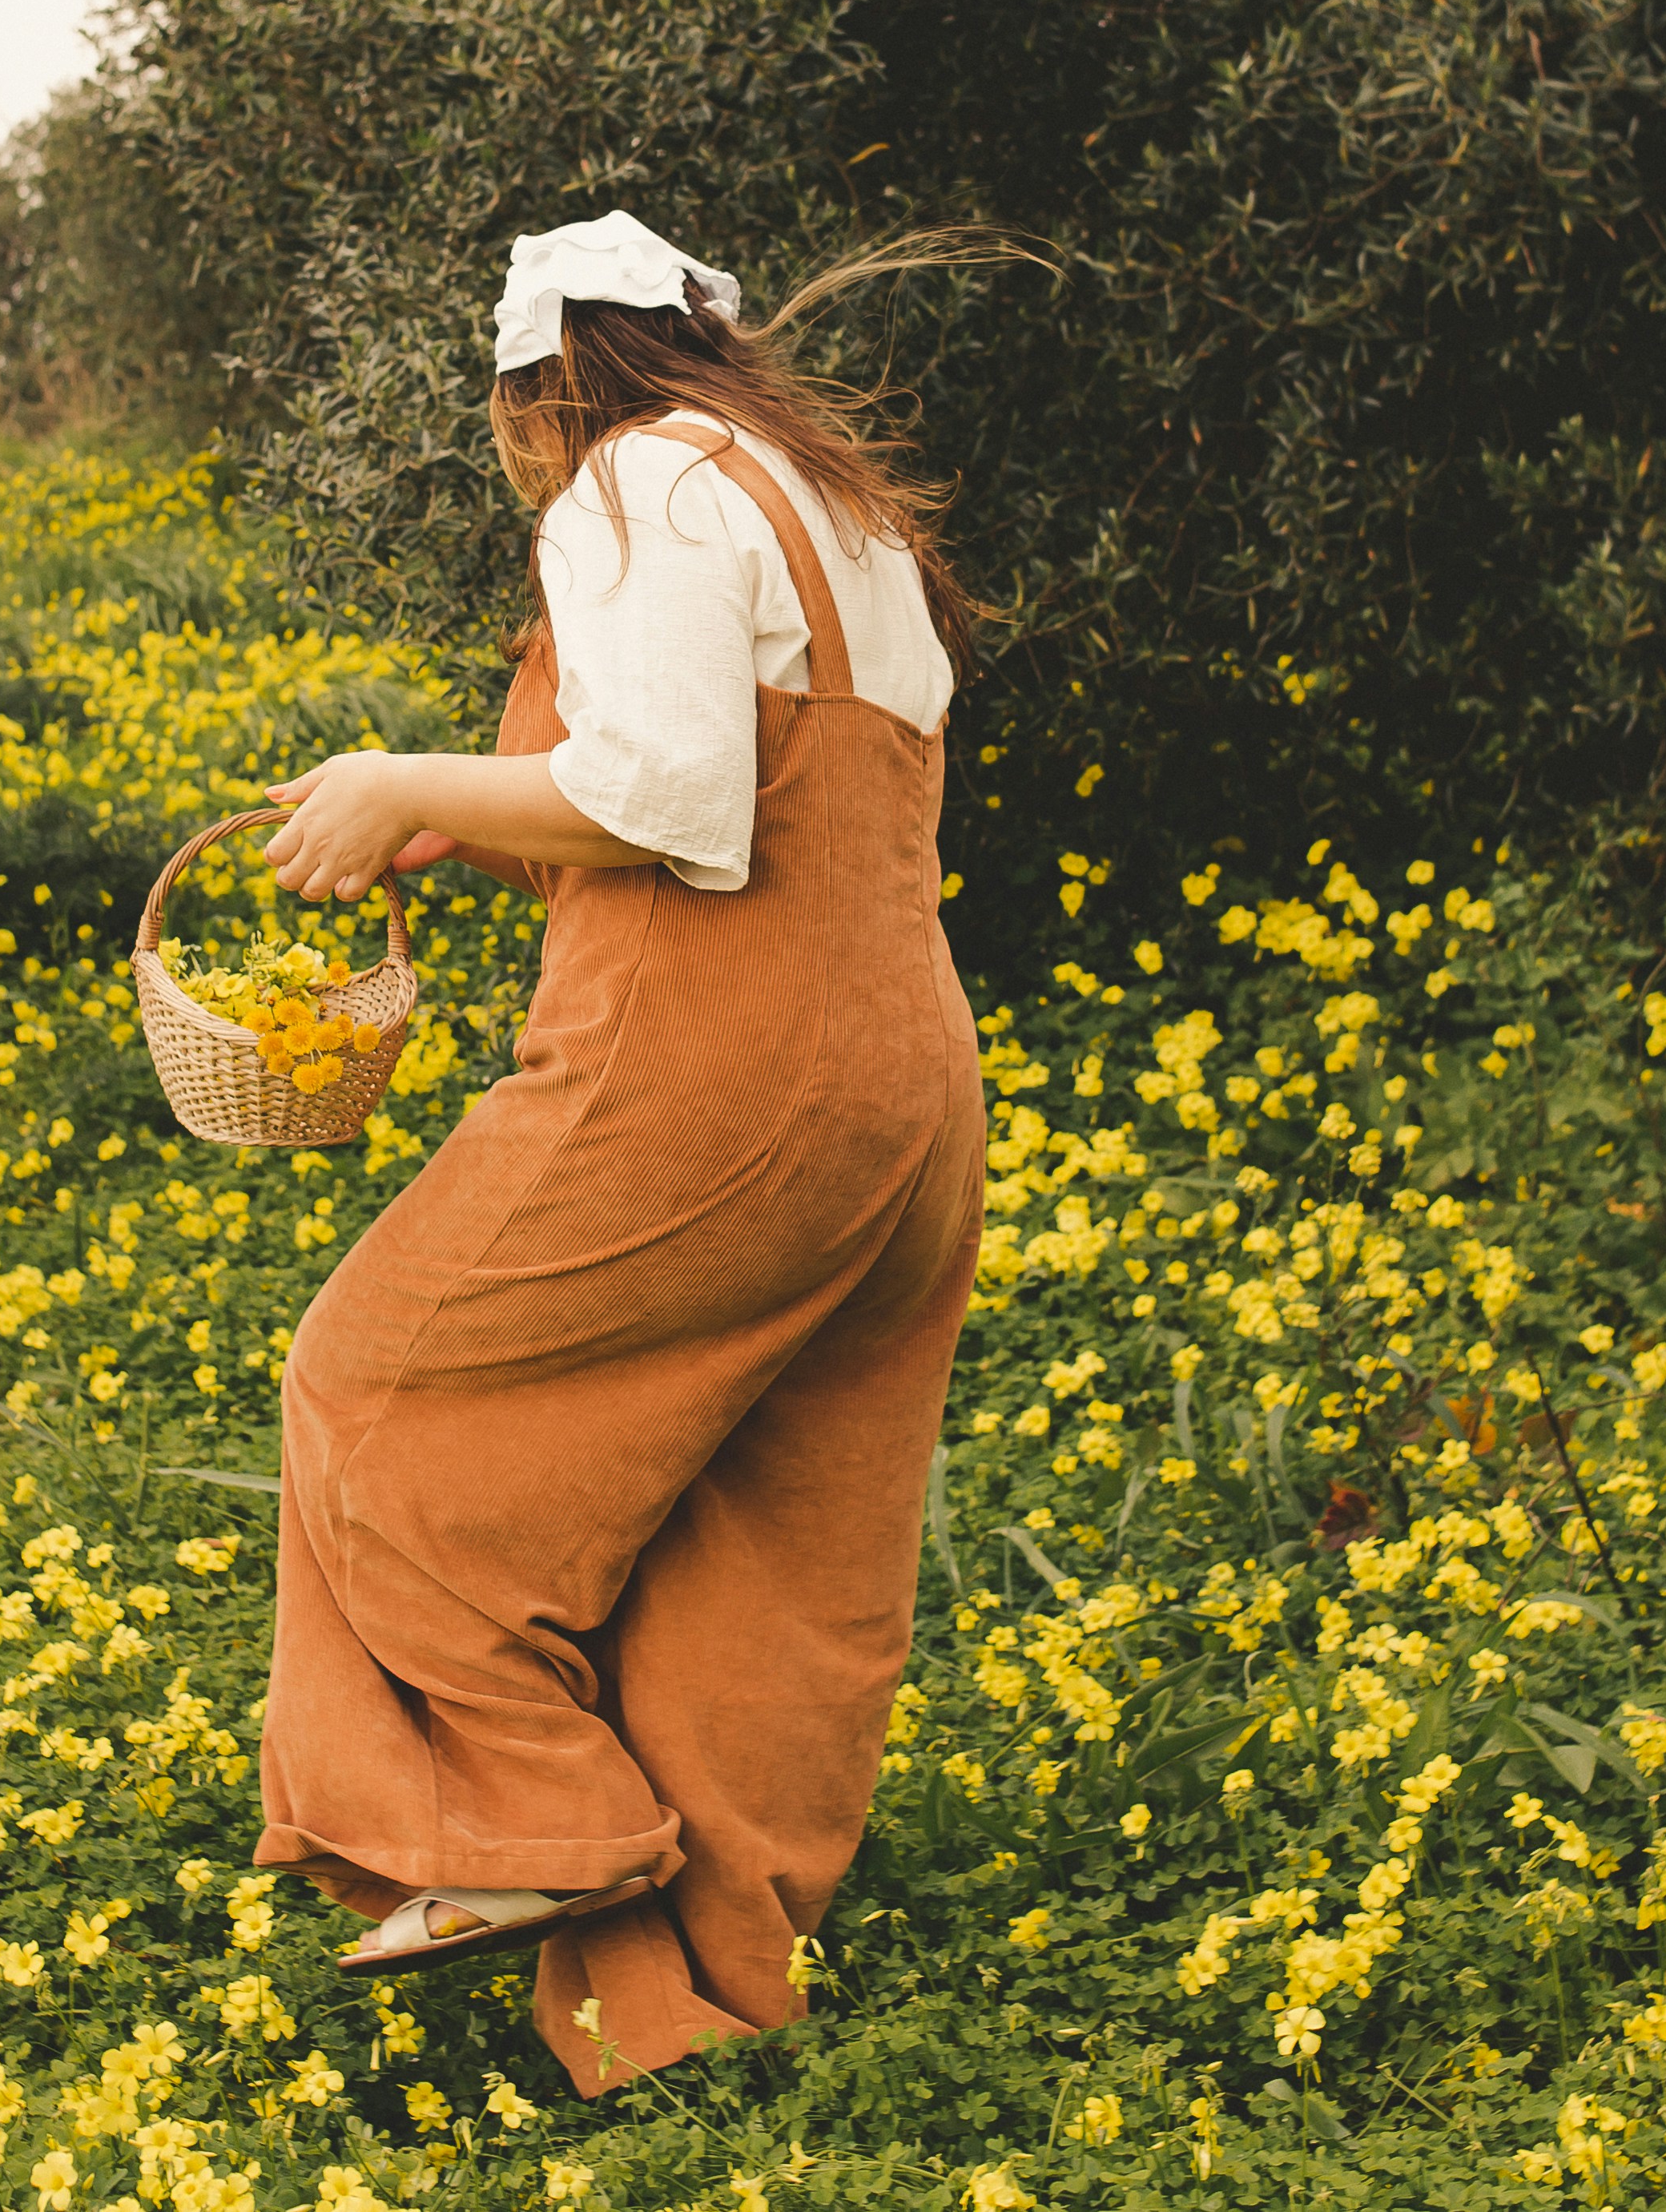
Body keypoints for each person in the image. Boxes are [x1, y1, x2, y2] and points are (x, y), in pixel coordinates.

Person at [252, 210, 986, 2097]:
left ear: (535, 391)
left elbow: (668, 801)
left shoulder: (631, 487)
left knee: (370, 1382)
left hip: (709, 1080)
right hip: (901, 1094)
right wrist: (464, 828)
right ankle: (689, 2006)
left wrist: (408, 778)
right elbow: (774, 802)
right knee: (768, 1543)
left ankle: (514, 1827)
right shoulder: (844, 518)